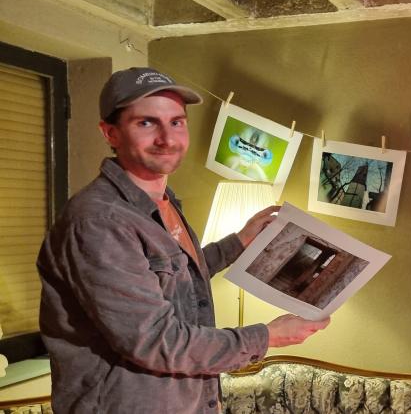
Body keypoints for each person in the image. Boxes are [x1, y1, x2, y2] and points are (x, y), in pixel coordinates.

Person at [36, 67, 330, 413]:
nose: (167, 138)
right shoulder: (99, 221)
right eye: (146, 123)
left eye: (176, 122)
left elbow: (171, 277)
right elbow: (157, 341)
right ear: (110, 133)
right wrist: (269, 336)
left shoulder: (163, 201)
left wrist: (238, 243)